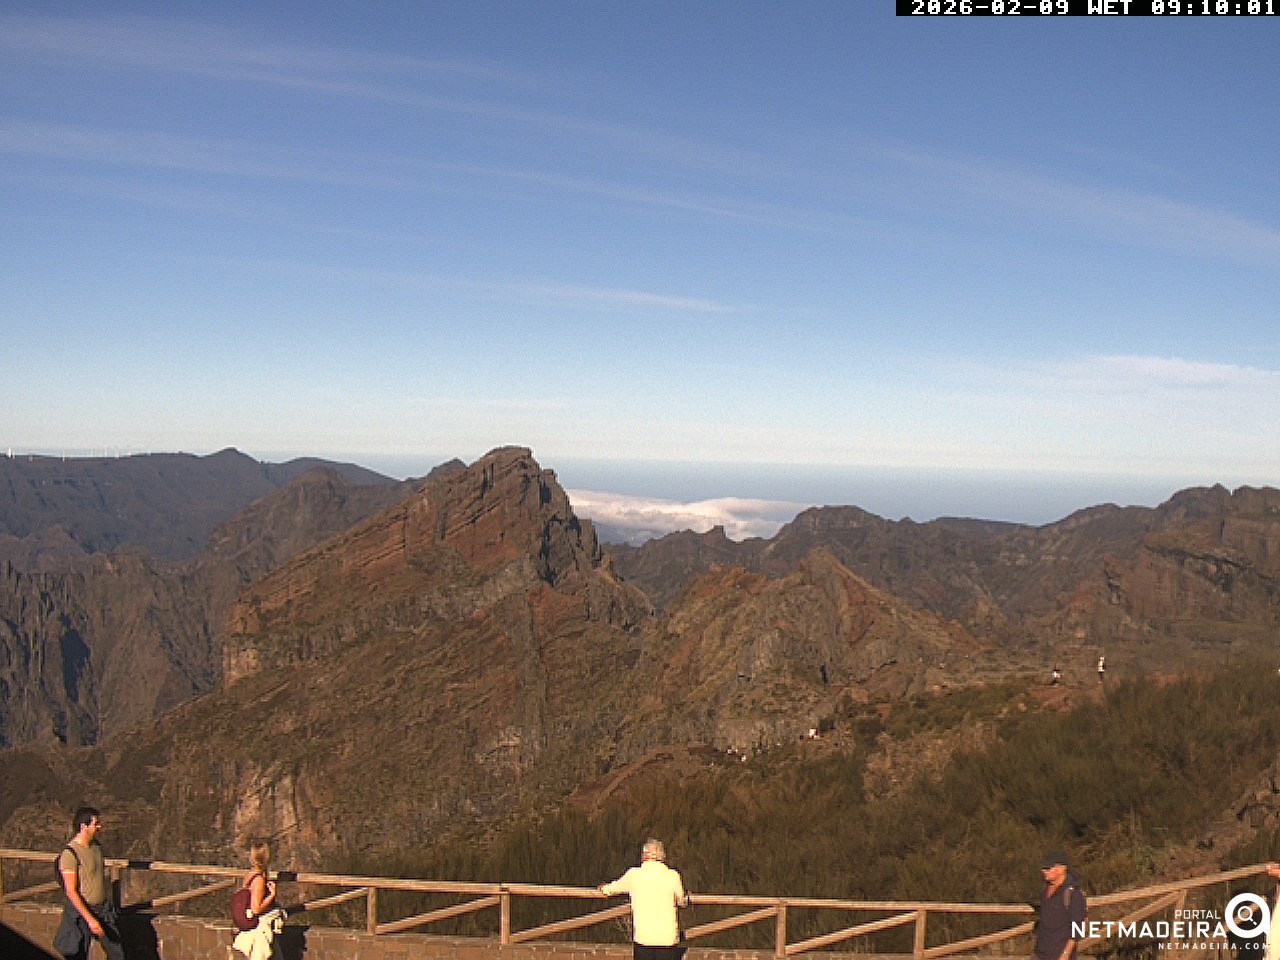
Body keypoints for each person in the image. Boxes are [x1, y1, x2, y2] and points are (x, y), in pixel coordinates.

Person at [599, 839, 690, 960]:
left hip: (643, 937)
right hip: (667, 938)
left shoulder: (634, 875)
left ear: (644, 855)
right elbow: (681, 901)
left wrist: (603, 888)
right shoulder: (673, 876)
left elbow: (613, 888)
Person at [56, 806, 125, 960]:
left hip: (103, 909)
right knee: (78, 954)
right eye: (95, 823)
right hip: (82, 911)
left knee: (116, 953)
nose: (99, 827)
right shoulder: (70, 854)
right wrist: (90, 919)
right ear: (83, 826)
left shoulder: (96, 847)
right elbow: (71, 891)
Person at [232, 841, 284, 960]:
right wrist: (271, 896)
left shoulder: (250, 874)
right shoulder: (259, 880)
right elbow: (255, 908)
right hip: (259, 928)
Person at [1034, 851, 1087, 960]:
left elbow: (1078, 928)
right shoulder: (1045, 890)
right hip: (1039, 953)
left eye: (1048, 868)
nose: (1043, 871)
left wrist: (1065, 955)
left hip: (1060, 955)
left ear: (1061, 869)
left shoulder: (1074, 894)